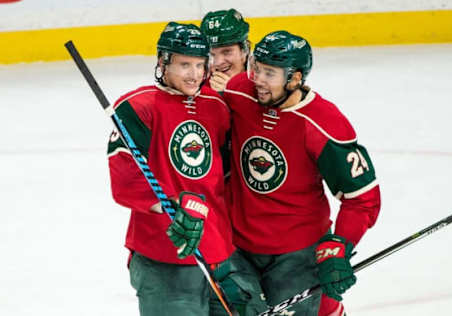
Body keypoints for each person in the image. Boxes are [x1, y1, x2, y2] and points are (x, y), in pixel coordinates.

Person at [222, 30, 382, 316]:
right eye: (256, 68)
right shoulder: (238, 92)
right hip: (239, 249)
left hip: (297, 255)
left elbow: (363, 198)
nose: (257, 79)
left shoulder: (324, 124)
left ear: (295, 78)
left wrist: (340, 245)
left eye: (269, 73)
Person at [107, 21, 236, 316]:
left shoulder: (217, 107)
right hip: (164, 256)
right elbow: (126, 181)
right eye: (184, 65)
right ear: (162, 62)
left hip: (221, 255)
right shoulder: (138, 106)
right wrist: (174, 206)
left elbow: (226, 176)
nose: (194, 75)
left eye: (200, 65)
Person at [200, 8, 250, 93]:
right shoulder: (197, 87)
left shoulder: (262, 86)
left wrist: (231, 93)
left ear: (244, 51)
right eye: (211, 54)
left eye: (227, 52)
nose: (218, 62)